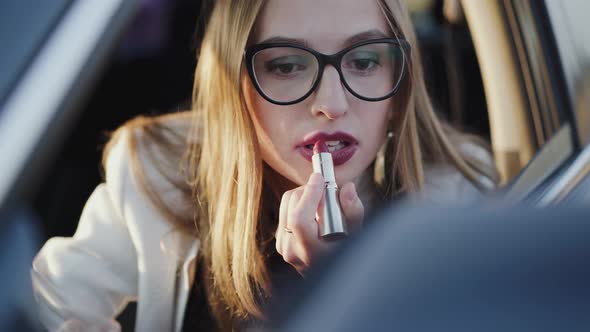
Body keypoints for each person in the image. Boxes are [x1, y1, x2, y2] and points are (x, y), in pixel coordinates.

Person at [31, 0, 498, 331]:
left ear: (399, 88)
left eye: (363, 60)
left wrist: (340, 285)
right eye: (288, 65)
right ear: (234, 84)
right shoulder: (161, 172)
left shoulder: (455, 204)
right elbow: (42, 301)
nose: (331, 104)